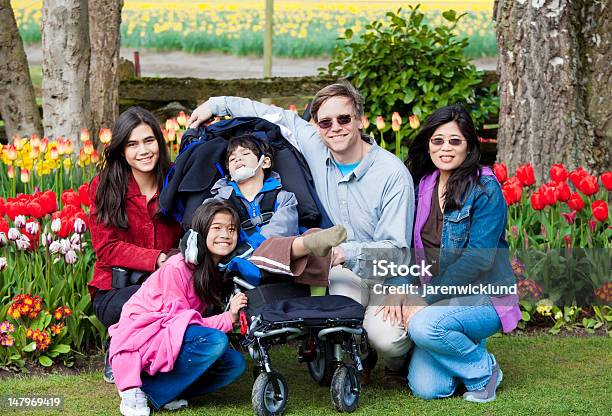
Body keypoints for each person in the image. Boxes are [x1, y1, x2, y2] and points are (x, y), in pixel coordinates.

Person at [188, 80, 415, 387]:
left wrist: (349, 253)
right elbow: (269, 114)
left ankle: (399, 360)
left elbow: (397, 251)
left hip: (384, 271)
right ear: (316, 126)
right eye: (325, 121)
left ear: (360, 119)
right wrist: (215, 105)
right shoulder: (315, 144)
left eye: (344, 119)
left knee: (386, 338)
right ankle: (353, 353)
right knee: (335, 315)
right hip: (339, 269)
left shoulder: (392, 173)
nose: (334, 128)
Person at [401, 105, 521, 402]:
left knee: (423, 325)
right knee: (429, 389)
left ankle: (484, 371)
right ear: (428, 142)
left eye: (455, 141)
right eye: (438, 140)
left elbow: (479, 259)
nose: (445, 148)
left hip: (484, 297)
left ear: (468, 146)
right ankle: (458, 345)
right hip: (441, 299)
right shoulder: (424, 183)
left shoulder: (485, 188)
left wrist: (424, 299)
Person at [109, 201, 247, 416]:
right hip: (145, 336)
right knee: (214, 341)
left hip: (172, 335)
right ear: (201, 232)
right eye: (217, 227)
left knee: (234, 364)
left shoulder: (214, 272)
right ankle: (132, 389)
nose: (226, 234)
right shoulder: (178, 267)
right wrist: (228, 318)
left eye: (231, 229)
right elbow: (179, 324)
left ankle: (157, 393)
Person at [88, 107, 183, 383]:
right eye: (132, 144)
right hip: (116, 291)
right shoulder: (105, 187)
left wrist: (174, 261)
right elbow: (107, 249)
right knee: (153, 305)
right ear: (121, 150)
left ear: (159, 142)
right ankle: (119, 346)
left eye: (148, 141)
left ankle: (143, 350)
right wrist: (157, 259)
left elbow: (192, 233)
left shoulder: (175, 183)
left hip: (167, 286)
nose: (143, 150)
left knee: (179, 302)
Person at [206, 133, 345, 293]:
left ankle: (317, 296)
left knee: (312, 234)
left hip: (281, 259)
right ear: (229, 171)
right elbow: (207, 222)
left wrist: (252, 245)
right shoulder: (220, 201)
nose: (237, 159)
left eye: (245, 154)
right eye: (232, 159)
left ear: (264, 162)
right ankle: (309, 244)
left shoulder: (285, 198)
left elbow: (282, 229)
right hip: (238, 261)